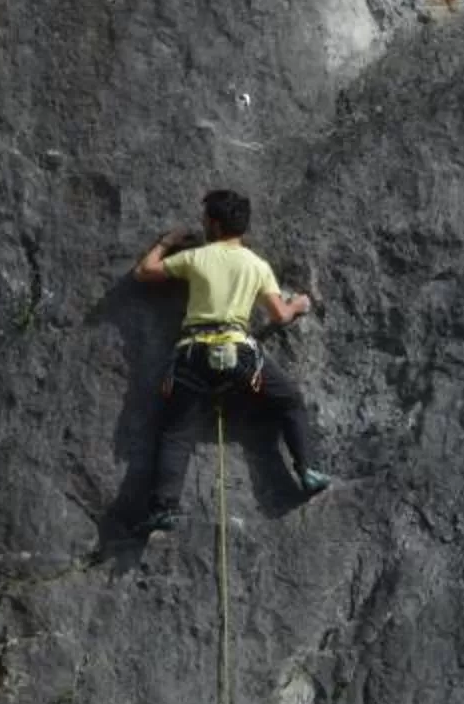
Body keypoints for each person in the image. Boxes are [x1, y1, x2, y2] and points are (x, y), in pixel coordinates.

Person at [130, 188, 327, 534]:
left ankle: (164, 508)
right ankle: (306, 469)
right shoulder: (256, 264)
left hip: (194, 355)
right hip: (240, 357)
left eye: (206, 219)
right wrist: (298, 305)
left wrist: (167, 241)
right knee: (290, 401)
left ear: (216, 225)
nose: (203, 224)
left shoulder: (197, 258)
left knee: (177, 432)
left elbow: (144, 272)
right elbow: (280, 315)